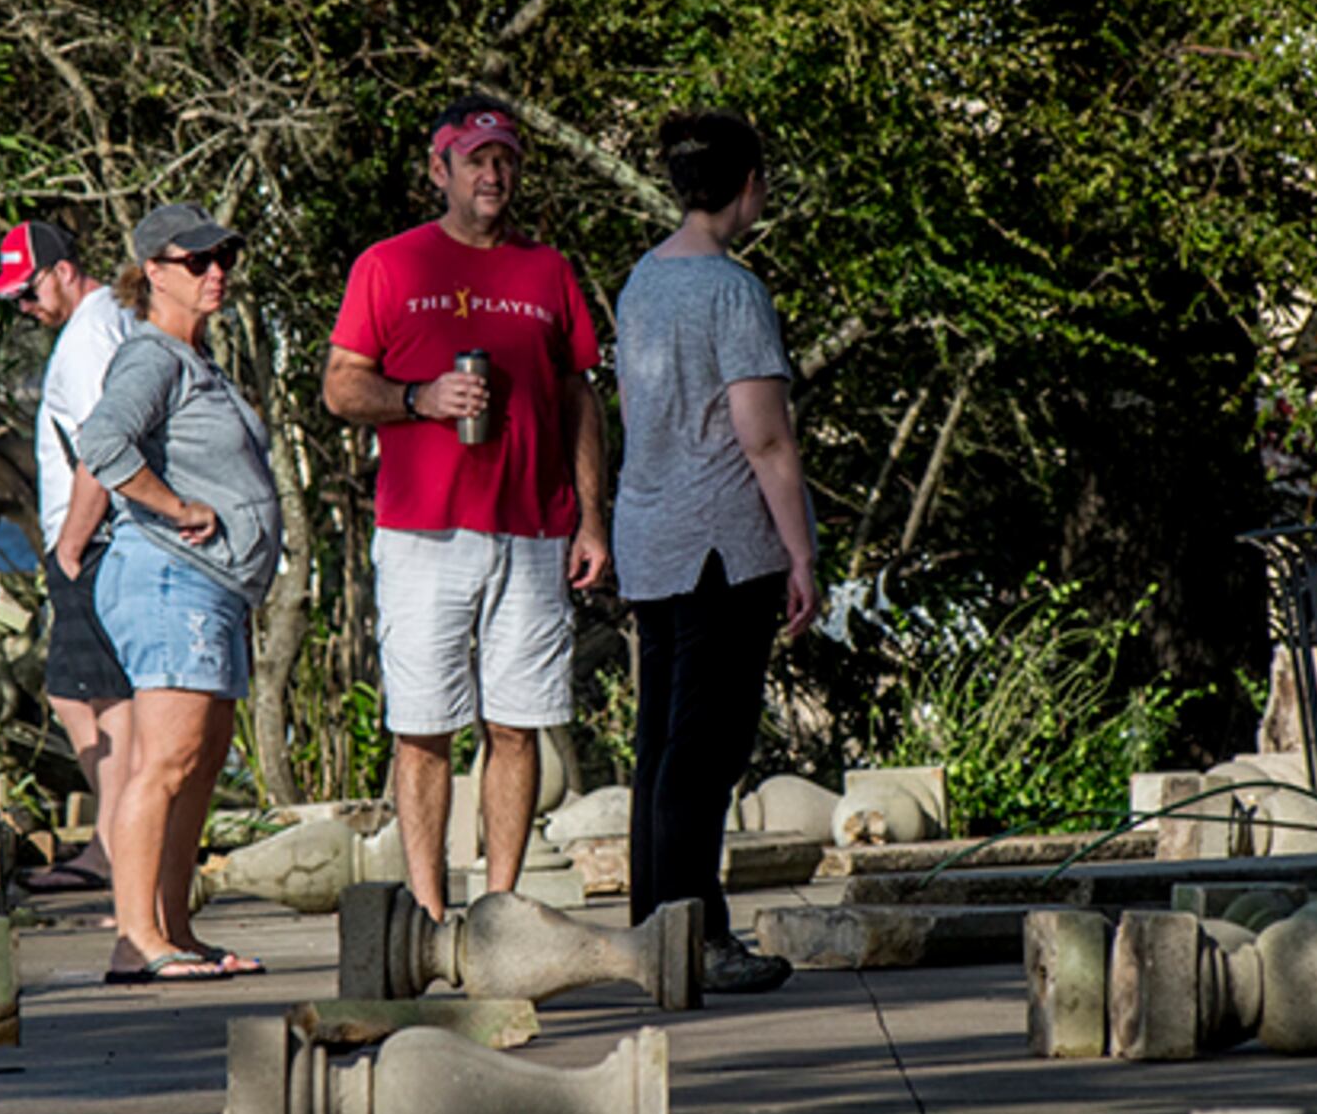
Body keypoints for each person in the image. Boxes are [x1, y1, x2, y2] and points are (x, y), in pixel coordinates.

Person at [323, 100, 610, 918]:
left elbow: (579, 394)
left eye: (506, 160)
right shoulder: (389, 265)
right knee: (423, 729)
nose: (493, 174)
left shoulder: (546, 269)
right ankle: (427, 912)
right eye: (476, 159)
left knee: (517, 725)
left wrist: (592, 517)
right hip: (423, 533)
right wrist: (420, 396)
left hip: (532, 529)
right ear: (438, 168)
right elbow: (342, 384)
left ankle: (499, 913)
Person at [610, 110, 818, 994]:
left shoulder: (642, 280)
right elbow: (765, 440)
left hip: (650, 535)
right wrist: (801, 552)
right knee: (705, 746)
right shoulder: (734, 292)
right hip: (721, 547)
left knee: (660, 739)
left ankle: (656, 928)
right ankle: (696, 934)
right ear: (746, 185)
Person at [67, 203, 284, 984]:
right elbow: (101, 442)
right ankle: (135, 939)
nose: (215, 271)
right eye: (197, 261)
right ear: (153, 272)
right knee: (165, 760)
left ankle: (175, 929)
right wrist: (175, 506)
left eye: (223, 256)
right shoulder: (152, 355)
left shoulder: (195, 359)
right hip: (170, 579)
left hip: (215, 588)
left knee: (200, 763)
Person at [0, 216, 139, 895]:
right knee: (95, 695)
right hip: (104, 538)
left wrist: (72, 543)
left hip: (97, 541)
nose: (26, 308)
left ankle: (118, 843)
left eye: (29, 291)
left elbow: (101, 449)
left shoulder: (87, 339)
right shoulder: (110, 322)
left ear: (64, 270)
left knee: (92, 697)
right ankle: (122, 839)